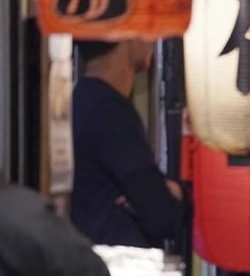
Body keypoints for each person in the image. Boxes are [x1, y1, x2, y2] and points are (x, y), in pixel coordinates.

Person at [71, 40, 184, 248]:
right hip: (116, 268)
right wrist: (176, 194)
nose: (153, 38)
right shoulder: (108, 109)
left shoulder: (85, 98)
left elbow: (147, 198)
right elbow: (161, 213)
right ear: (126, 36)